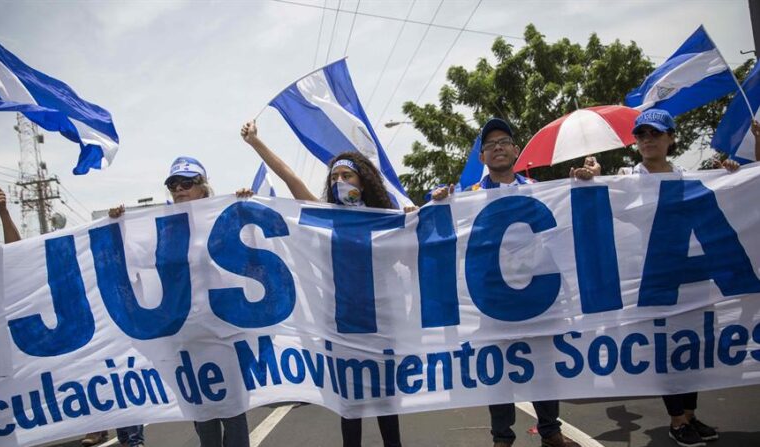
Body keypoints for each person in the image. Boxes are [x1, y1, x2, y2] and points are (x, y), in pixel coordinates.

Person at [574, 109, 747, 447]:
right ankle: (676, 420)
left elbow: (726, 200)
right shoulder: (626, 178)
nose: (647, 139)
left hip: (693, 280)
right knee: (669, 353)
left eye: (655, 133)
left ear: (671, 138)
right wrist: (593, 179)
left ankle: (691, 414)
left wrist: (733, 176)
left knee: (695, 349)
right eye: (641, 135)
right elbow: (602, 204)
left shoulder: (689, 177)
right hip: (655, 283)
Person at [239, 120, 406, 447]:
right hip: (342, 325)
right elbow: (290, 177)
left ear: (363, 180)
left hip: (383, 324)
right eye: (335, 177)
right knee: (350, 409)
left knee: (387, 405)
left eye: (347, 175)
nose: (340, 181)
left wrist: (417, 217)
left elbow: (409, 254)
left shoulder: (384, 217)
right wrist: (256, 143)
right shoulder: (324, 215)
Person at [432, 118, 581, 447]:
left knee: (543, 368)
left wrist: (584, 186)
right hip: (494, 302)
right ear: (482, 158)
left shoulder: (538, 189)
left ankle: (550, 431)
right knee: (497, 372)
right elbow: (441, 235)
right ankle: (502, 436)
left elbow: (561, 235)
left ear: (516, 150)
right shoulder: (468, 197)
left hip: (537, 298)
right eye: (489, 145)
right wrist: (439, 203)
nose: (497, 147)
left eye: (504, 142)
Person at [109, 156, 248, 447]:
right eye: (174, 184)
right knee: (204, 418)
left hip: (222, 334)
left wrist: (245, 207)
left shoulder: (221, 216)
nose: (179, 189)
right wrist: (117, 225)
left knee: (233, 415)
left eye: (187, 183)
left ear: (203, 187)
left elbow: (251, 249)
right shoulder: (161, 227)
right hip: (184, 338)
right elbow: (129, 258)